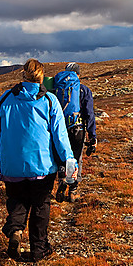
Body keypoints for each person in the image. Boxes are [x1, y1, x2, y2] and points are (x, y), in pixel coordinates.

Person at [0, 59, 75, 262]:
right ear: (42, 76)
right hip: (42, 166)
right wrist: (69, 161)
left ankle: (15, 232)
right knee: (40, 205)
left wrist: (1, 153)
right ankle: (38, 250)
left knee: (17, 201)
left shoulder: (5, 99)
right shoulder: (50, 101)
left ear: (23, 75)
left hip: (12, 165)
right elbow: (60, 136)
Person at [53, 62, 97, 203]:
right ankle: (73, 191)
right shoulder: (83, 90)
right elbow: (89, 114)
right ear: (78, 74)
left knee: (61, 155)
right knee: (76, 158)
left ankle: (61, 180)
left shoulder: (57, 90)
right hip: (77, 128)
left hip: (60, 128)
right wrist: (92, 135)